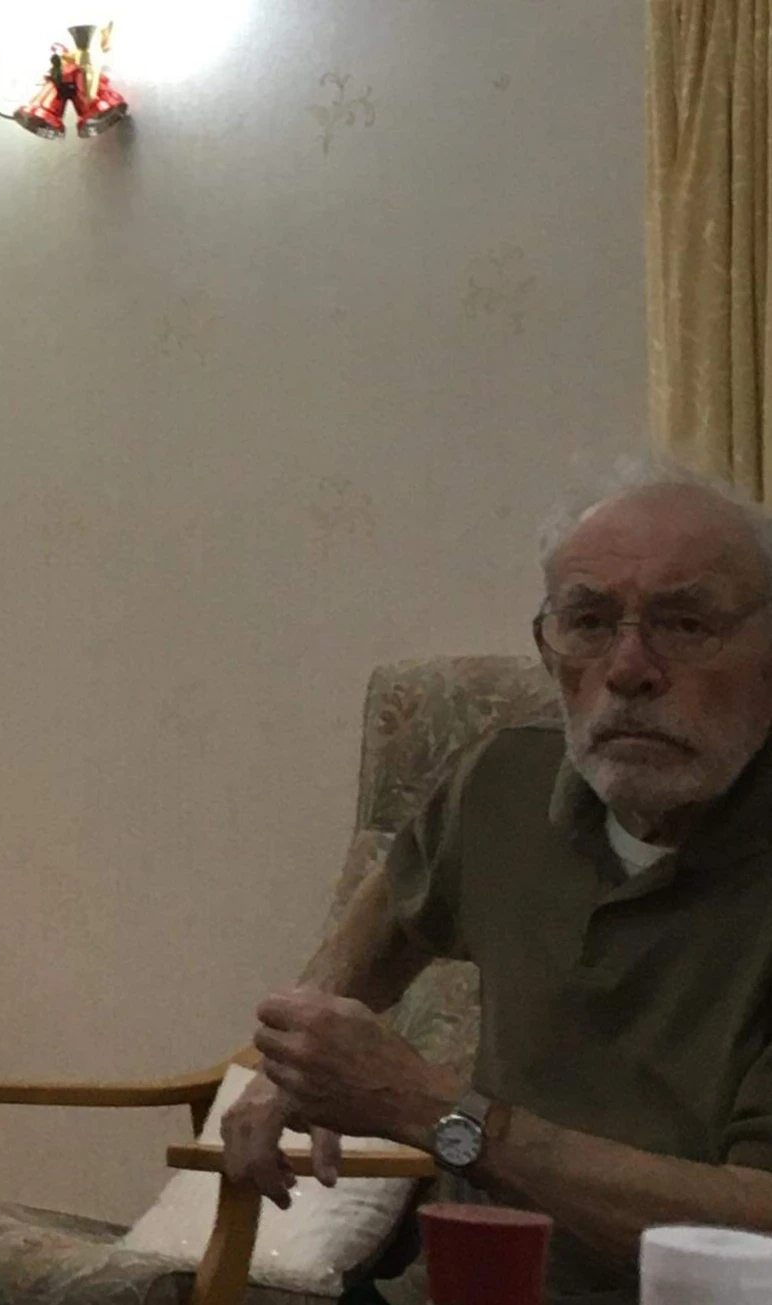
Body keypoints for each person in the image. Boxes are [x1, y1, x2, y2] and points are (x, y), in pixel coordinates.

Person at [223, 467, 772, 1304]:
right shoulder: (502, 782)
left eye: (686, 623)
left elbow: (759, 1228)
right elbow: (391, 915)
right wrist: (290, 1061)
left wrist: (440, 1113)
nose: (628, 668)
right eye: (588, 621)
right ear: (546, 646)